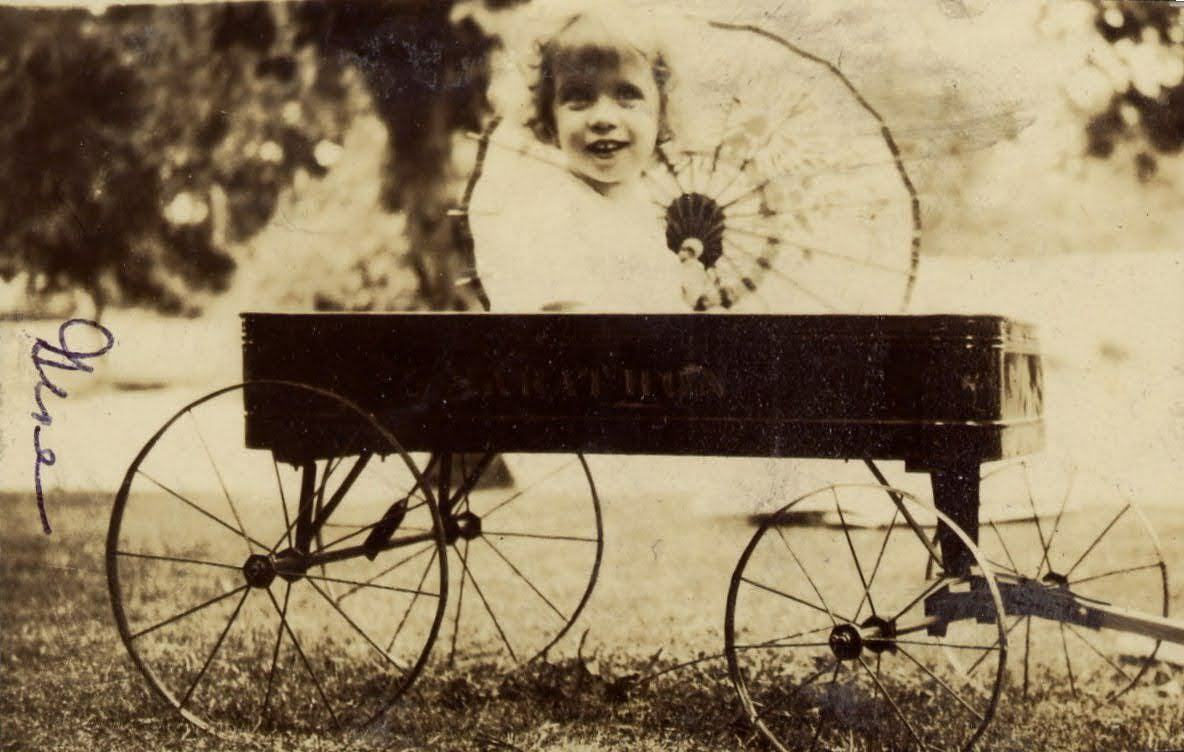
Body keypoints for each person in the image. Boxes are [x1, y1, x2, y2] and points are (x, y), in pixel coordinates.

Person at [468, 10, 690, 313]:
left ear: (661, 111)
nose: (603, 118)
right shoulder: (552, 210)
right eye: (579, 98)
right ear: (549, 118)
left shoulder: (641, 202)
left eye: (627, 96)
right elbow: (570, 322)